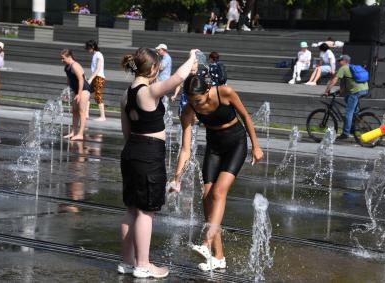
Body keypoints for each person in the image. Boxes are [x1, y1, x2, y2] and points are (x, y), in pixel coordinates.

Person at [169, 75, 264, 271]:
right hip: (214, 148)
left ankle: (206, 242)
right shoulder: (188, 110)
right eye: (191, 101)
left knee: (218, 193)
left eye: (199, 100)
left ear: (207, 91)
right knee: (207, 197)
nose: (198, 106)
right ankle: (218, 257)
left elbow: (245, 116)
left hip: (235, 144)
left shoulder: (224, 93)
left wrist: (256, 146)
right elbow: (185, 149)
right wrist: (176, 177)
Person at [118, 48, 198, 278]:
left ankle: (126, 261)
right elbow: (178, 78)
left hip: (131, 151)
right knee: (146, 211)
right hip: (148, 153)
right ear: (152, 68)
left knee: (132, 209)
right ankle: (143, 265)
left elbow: (126, 132)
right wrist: (191, 57)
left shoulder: (125, 95)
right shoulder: (149, 91)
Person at [325, 55, 369, 139]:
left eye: (340, 60)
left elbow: (334, 80)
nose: (339, 62)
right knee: (349, 102)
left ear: (345, 61)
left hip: (356, 91)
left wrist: (327, 91)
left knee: (349, 112)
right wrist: (338, 92)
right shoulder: (352, 67)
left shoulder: (343, 68)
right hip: (364, 89)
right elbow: (346, 84)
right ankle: (354, 126)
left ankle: (345, 133)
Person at [61, 49, 91, 141]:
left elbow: (81, 79)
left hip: (84, 90)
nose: (61, 60)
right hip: (76, 90)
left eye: (63, 58)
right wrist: (68, 92)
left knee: (82, 111)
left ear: (69, 57)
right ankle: (73, 132)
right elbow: (69, 80)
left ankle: (80, 134)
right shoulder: (67, 67)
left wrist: (79, 93)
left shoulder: (75, 65)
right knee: (74, 111)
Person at [85, 40, 106, 121]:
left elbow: (98, 69)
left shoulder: (99, 55)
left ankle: (103, 116)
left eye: (88, 48)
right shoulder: (95, 55)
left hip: (99, 77)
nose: (87, 50)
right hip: (95, 77)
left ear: (92, 47)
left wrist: (90, 79)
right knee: (87, 93)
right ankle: (86, 114)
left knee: (98, 96)